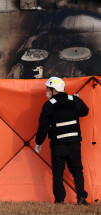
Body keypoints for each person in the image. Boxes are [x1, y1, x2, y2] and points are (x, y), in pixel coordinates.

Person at [35, 76, 89, 205]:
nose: (47, 91)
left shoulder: (48, 105)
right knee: (77, 170)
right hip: (74, 144)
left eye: (48, 88)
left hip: (58, 145)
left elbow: (43, 126)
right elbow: (85, 112)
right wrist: (79, 100)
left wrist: (38, 142)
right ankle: (81, 197)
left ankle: (59, 200)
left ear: (54, 90)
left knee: (58, 173)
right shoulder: (74, 100)